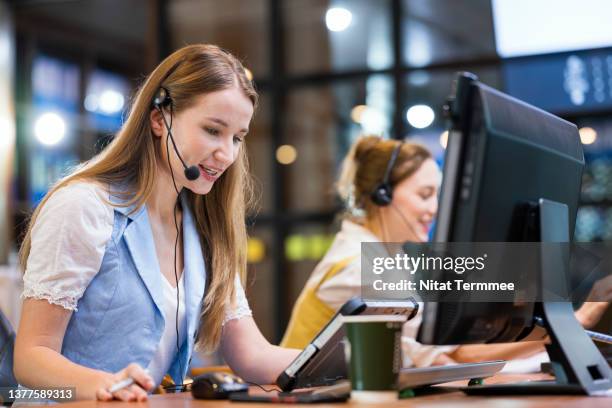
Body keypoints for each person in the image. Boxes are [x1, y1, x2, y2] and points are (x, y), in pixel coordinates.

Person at [14, 44, 300, 402]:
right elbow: (30, 358)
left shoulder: (203, 226)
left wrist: (354, 356)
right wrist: (101, 385)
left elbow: (252, 355)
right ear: (158, 120)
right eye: (213, 130)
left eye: (238, 137)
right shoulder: (85, 206)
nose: (227, 154)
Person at [281, 135, 608, 367]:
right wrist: (571, 323)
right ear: (382, 196)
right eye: (425, 194)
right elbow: (450, 352)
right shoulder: (357, 265)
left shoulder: (382, 258)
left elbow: (441, 353)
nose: (435, 209)